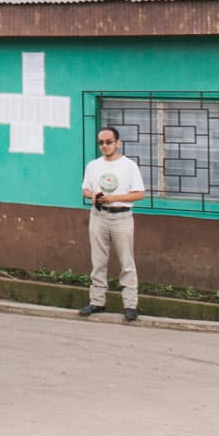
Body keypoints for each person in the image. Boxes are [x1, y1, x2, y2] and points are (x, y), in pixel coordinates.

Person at [77, 126, 148, 323]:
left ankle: (130, 304)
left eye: (109, 142)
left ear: (118, 143)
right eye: (101, 142)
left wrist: (114, 198)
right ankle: (97, 301)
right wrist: (94, 196)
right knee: (98, 260)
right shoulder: (93, 166)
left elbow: (139, 193)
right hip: (99, 215)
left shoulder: (129, 166)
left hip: (121, 216)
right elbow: (85, 189)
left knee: (126, 261)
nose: (105, 146)